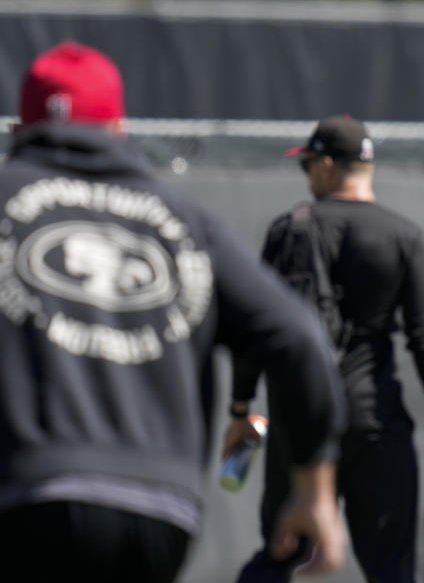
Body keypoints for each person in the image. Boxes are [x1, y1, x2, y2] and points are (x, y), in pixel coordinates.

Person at [0, 42, 348, 583]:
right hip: (157, 511)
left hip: (23, 497)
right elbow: (300, 339)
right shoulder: (182, 221)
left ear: (20, 128)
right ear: (119, 128)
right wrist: (315, 491)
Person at [226, 114, 424, 583]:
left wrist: (240, 408)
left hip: (301, 419)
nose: (307, 175)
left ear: (325, 165)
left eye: (307, 165)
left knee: (280, 558)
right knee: (392, 571)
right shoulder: (404, 236)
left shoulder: (289, 229)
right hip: (374, 419)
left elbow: (255, 331)